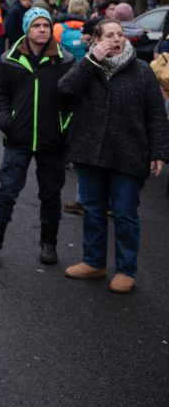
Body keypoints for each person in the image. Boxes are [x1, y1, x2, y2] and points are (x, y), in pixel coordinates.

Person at [57, 18, 169, 293]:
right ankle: (94, 262)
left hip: (128, 155)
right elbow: (65, 91)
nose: (117, 39)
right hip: (90, 152)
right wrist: (91, 61)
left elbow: (156, 115)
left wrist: (159, 152)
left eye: (120, 34)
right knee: (93, 211)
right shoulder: (87, 68)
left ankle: (126, 269)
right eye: (110, 35)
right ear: (96, 40)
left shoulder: (141, 71)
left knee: (125, 214)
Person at [0, 7, 74, 268]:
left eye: (46, 25)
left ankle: (49, 243)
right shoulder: (10, 60)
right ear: (27, 29)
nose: (42, 30)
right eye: (36, 26)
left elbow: (73, 100)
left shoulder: (64, 61)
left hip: (52, 142)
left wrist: (63, 126)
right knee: (6, 191)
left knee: (51, 193)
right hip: (18, 139)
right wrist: (5, 121)